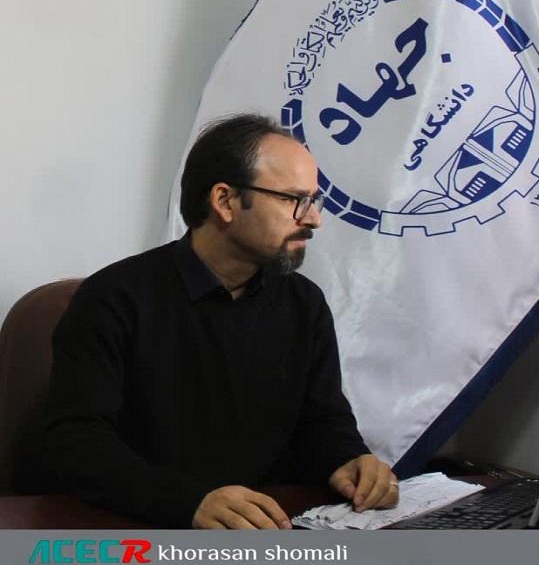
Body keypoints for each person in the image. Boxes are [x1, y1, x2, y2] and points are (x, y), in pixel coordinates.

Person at [28, 114, 398, 529]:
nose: (314, 219)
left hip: (267, 527)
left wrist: (349, 459)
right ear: (225, 201)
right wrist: (189, 502)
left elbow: (322, 420)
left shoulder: (303, 303)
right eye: (294, 200)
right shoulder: (113, 298)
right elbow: (77, 445)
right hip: (144, 529)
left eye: (314, 200)